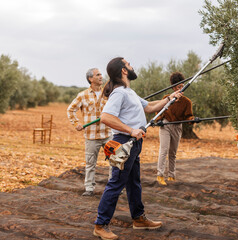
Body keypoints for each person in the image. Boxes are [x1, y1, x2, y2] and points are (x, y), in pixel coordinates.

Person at [93, 57, 183, 240]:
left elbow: (150, 107)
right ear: (124, 71)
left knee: (134, 183)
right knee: (116, 184)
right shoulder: (119, 93)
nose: (132, 66)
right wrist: (131, 130)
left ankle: (138, 219)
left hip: (134, 144)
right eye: (128, 64)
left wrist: (169, 99)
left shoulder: (129, 92)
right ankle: (100, 225)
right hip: (124, 143)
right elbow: (106, 117)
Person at [67, 68, 112, 196]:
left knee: (114, 161)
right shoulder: (83, 95)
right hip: (91, 136)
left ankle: (113, 187)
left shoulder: (107, 94)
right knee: (90, 163)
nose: (100, 76)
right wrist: (76, 124)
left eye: (100, 74)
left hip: (108, 134)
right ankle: (89, 188)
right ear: (90, 79)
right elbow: (70, 110)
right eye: (97, 75)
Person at [155, 72, 194, 186]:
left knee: (173, 152)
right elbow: (159, 112)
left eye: (182, 86)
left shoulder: (187, 102)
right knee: (164, 150)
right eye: (178, 87)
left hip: (177, 126)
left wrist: (193, 119)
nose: (181, 89)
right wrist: (159, 120)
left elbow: (188, 116)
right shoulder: (166, 99)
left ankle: (171, 175)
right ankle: (160, 175)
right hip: (165, 125)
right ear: (173, 87)